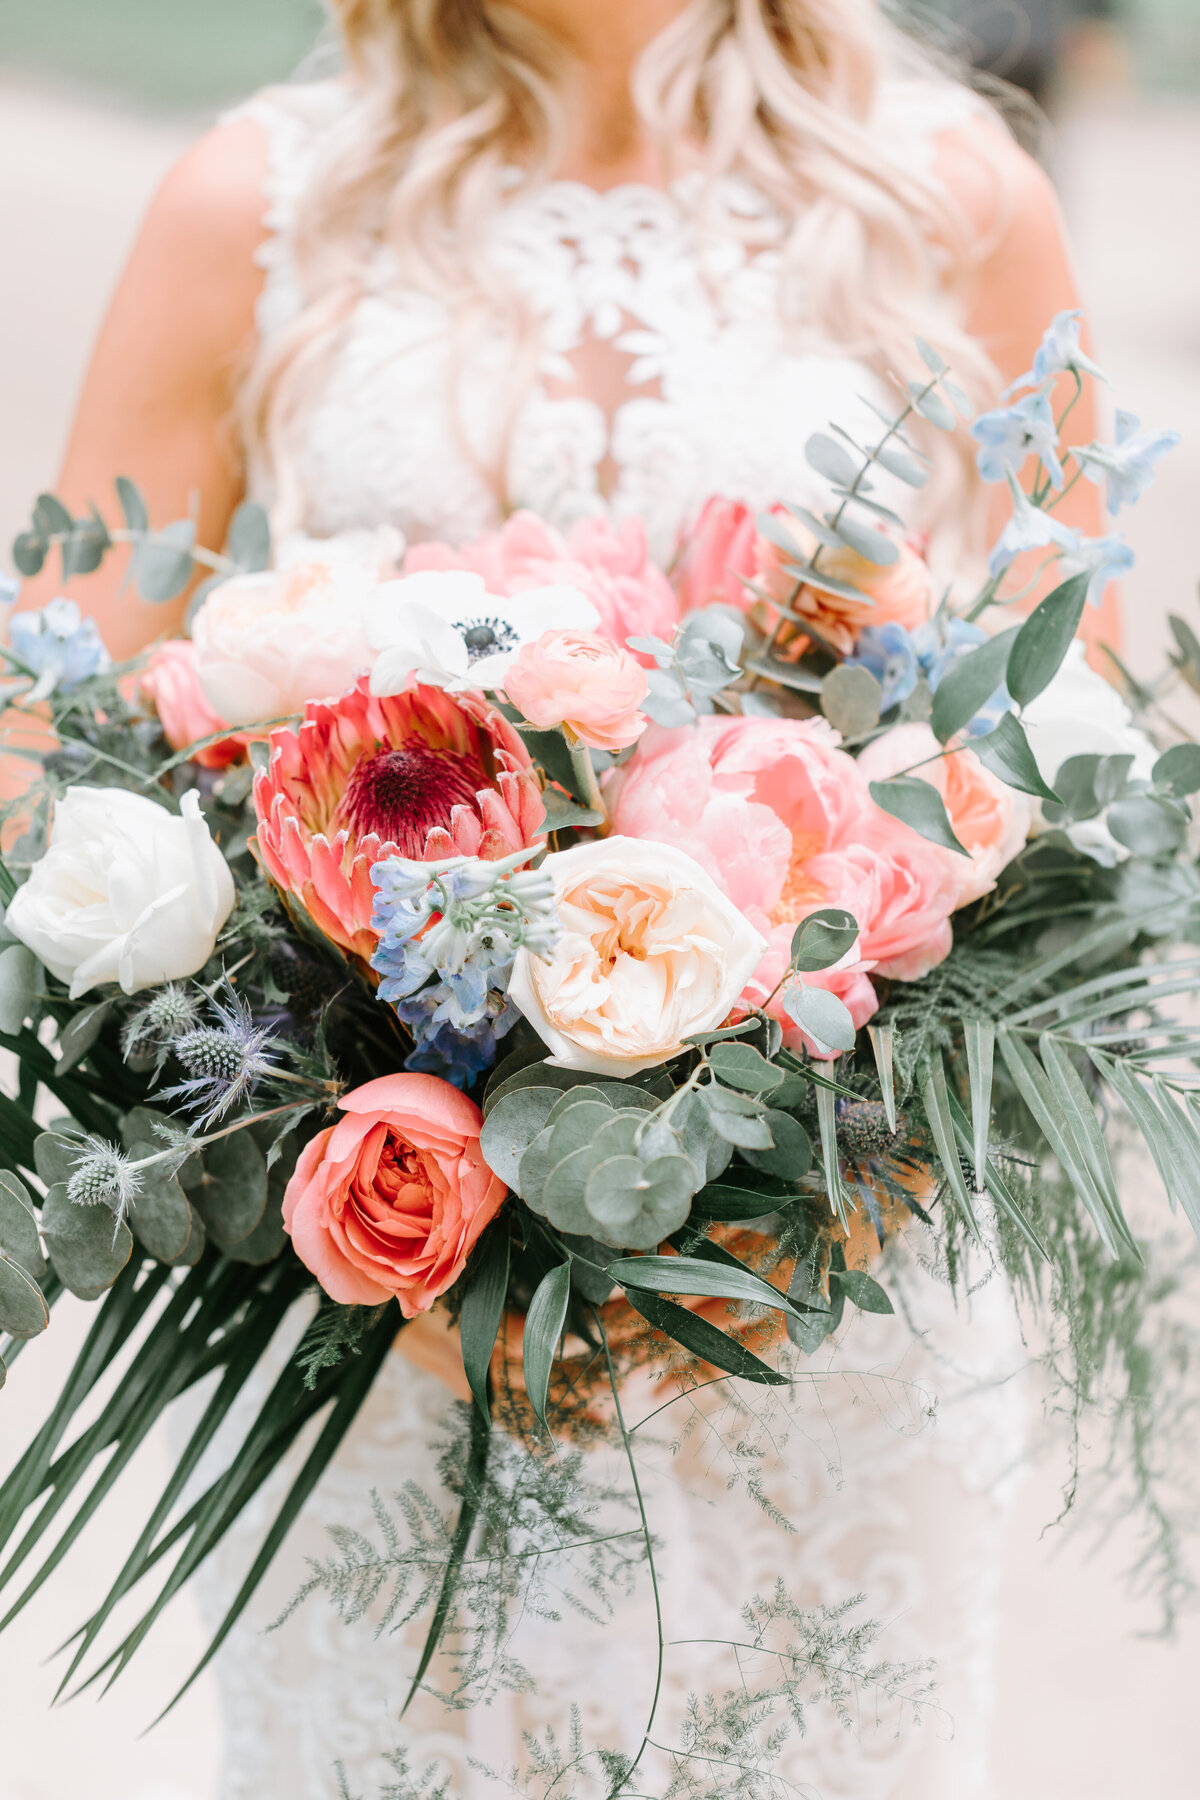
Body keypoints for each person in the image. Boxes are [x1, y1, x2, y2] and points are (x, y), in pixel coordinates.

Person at [12, 3, 1115, 1795]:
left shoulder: (951, 195)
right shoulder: (261, 199)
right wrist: (344, 1172)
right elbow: (56, 746)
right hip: (385, 1312)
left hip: (834, 1293)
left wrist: (843, 1195)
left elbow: (1076, 738)